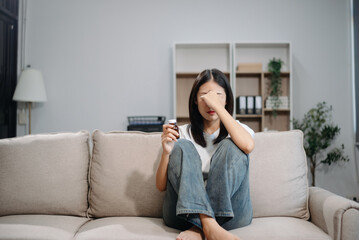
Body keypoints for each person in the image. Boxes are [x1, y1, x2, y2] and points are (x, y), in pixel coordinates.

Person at [156, 69, 255, 240]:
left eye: (217, 95)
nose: (210, 103)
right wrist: (166, 153)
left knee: (231, 146)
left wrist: (216, 105)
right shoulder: (181, 133)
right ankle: (208, 226)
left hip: (231, 214)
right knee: (182, 146)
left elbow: (248, 146)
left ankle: (200, 229)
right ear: (195, 99)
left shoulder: (237, 130)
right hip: (183, 215)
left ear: (226, 99)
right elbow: (161, 186)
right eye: (205, 96)